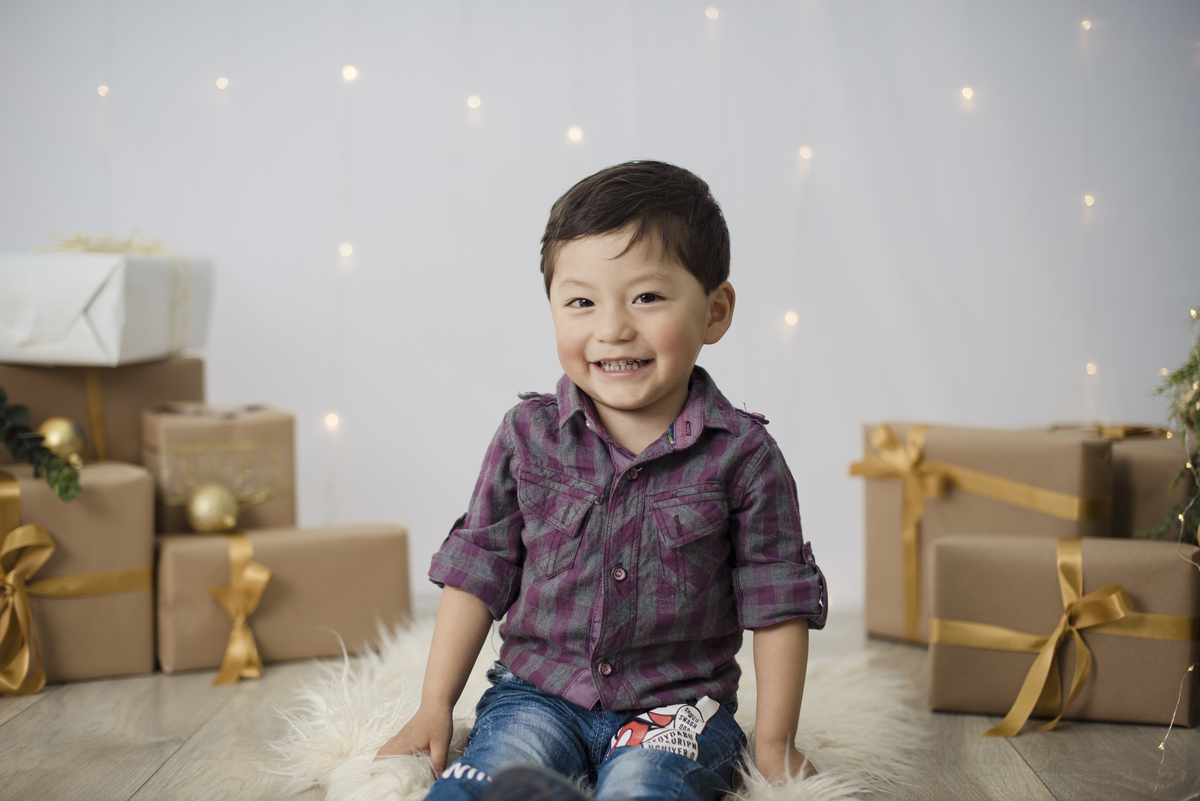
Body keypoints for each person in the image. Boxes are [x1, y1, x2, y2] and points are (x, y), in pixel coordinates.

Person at [375, 161, 827, 801]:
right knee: (488, 781)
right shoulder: (526, 437)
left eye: (647, 297)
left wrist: (775, 746)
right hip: (537, 695)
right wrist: (434, 706)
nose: (612, 328)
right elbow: (479, 571)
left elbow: (777, 602)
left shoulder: (744, 456)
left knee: (646, 784)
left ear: (715, 311)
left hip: (674, 710)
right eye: (582, 302)